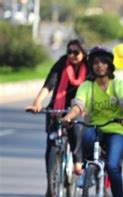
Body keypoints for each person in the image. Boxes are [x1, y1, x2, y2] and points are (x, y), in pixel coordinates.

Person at [62, 46, 123, 197]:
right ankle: (88, 171)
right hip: (95, 126)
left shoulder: (118, 84)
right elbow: (78, 105)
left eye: (103, 62)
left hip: (116, 128)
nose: (99, 66)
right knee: (85, 136)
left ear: (109, 65)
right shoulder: (87, 86)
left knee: (112, 166)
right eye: (95, 63)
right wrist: (69, 117)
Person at [26, 39, 88, 177]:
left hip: (78, 107)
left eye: (75, 52)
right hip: (57, 107)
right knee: (51, 142)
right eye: (69, 52)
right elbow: (50, 83)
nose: (71, 55)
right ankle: (50, 180)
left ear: (83, 53)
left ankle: (77, 161)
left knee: (77, 130)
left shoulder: (89, 66)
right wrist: (37, 102)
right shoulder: (62, 63)